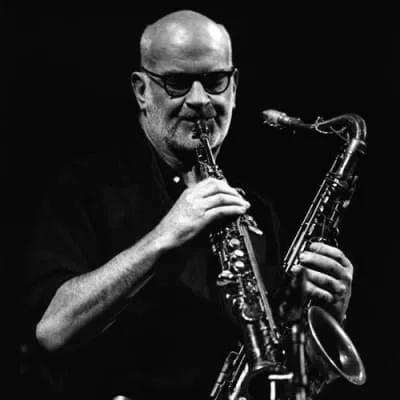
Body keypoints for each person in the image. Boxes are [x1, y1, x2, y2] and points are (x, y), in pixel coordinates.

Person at [20, 9, 355, 400]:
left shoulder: (258, 211)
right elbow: (52, 330)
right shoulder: (86, 186)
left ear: (233, 88)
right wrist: (164, 237)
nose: (199, 100)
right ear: (141, 91)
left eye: (214, 81)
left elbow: (284, 383)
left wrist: (323, 320)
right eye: (177, 83)